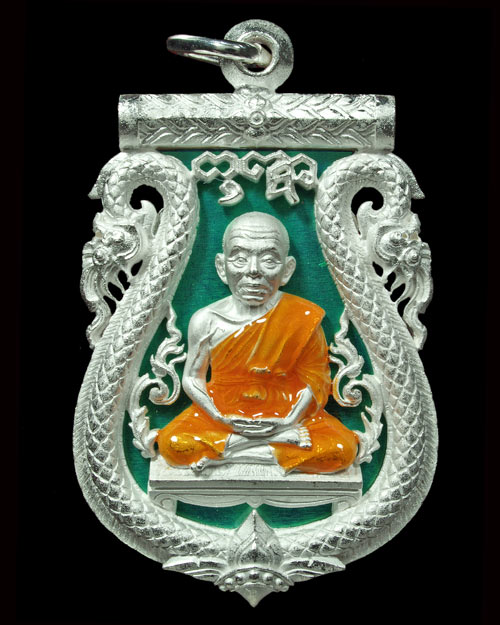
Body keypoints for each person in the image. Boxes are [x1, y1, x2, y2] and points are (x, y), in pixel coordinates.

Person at [156, 212, 359, 473]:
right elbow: (193, 377)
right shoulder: (206, 320)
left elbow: (316, 380)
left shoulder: (302, 317)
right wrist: (218, 416)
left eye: (268, 260)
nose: (253, 270)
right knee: (173, 444)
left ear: (287, 270)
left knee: (340, 449)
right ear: (222, 267)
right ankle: (270, 445)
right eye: (240, 258)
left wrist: (289, 420)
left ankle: (229, 453)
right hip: (222, 414)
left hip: (288, 414)